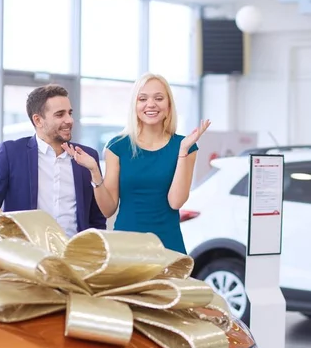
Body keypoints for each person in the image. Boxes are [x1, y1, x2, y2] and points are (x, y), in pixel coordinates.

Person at [63, 73, 209, 254]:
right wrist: (94, 171)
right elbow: (108, 210)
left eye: (159, 98)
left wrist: (182, 152)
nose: (151, 104)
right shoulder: (117, 147)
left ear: (169, 105)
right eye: (142, 99)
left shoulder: (185, 146)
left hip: (168, 247)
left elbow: (175, 202)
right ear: (135, 105)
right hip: (126, 247)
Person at [0, 84, 106, 237]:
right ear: (38, 120)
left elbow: (97, 218)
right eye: (60, 114)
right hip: (27, 255)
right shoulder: (12, 154)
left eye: (69, 113)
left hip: (75, 255)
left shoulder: (87, 157)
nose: (69, 120)